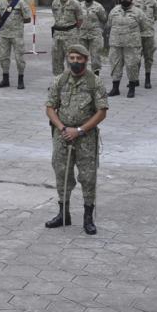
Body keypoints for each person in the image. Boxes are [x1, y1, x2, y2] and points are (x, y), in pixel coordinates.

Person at [44, 44, 108, 235]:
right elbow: (49, 108)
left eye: (79, 59)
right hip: (62, 135)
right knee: (62, 173)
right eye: (72, 58)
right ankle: (64, 214)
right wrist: (62, 128)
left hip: (86, 137)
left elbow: (102, 112)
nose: (75, 62)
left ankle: (88, 218)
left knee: (88, 177)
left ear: (86, 60)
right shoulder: (60, 80)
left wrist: (79, 130)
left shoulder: (94, 83)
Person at [106, 0, 150, 98]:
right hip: (116, 43)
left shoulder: (138, 12)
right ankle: (115, 88)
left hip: (132, 44)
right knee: (115, 65)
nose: (124, 1)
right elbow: (109, 24)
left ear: (131, 0)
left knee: (132, 66)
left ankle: (132, 88)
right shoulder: (114, 10)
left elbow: (144, 27)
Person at [0, 0, 32, 89]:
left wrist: (17, 20)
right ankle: (5, 79)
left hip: (16, 35)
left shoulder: (21, 3)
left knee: (19, 58)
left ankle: (20, 80)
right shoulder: (2, 3)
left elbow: (28, 18)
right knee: (3, 57)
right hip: (4, 34)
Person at [50, 0, 84, 76]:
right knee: (56, 59)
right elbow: (55, 16)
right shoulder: (54, 3)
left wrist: (73, 31)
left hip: (70, 35)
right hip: (57, 35)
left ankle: (71, 82)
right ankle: (58, 82)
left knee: (72, 59)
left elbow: (80, 20)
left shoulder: (75, 3)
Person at [133, 0, 157, 88]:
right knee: (135, 57)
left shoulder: (153, 2)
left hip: (148, 34)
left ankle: (147, 79)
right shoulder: (134, 1)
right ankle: (134, 78)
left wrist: (148, 23)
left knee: (148, 57)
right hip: (136, 33)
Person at [78, 0, 107, 75]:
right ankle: (81, 73)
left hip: (95, 35)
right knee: (81, 54)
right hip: (82, 34)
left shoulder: (98, 7)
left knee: (95, 55)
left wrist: (100, 29)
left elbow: (104, 19)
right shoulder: (79, 6)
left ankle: (96, 74)